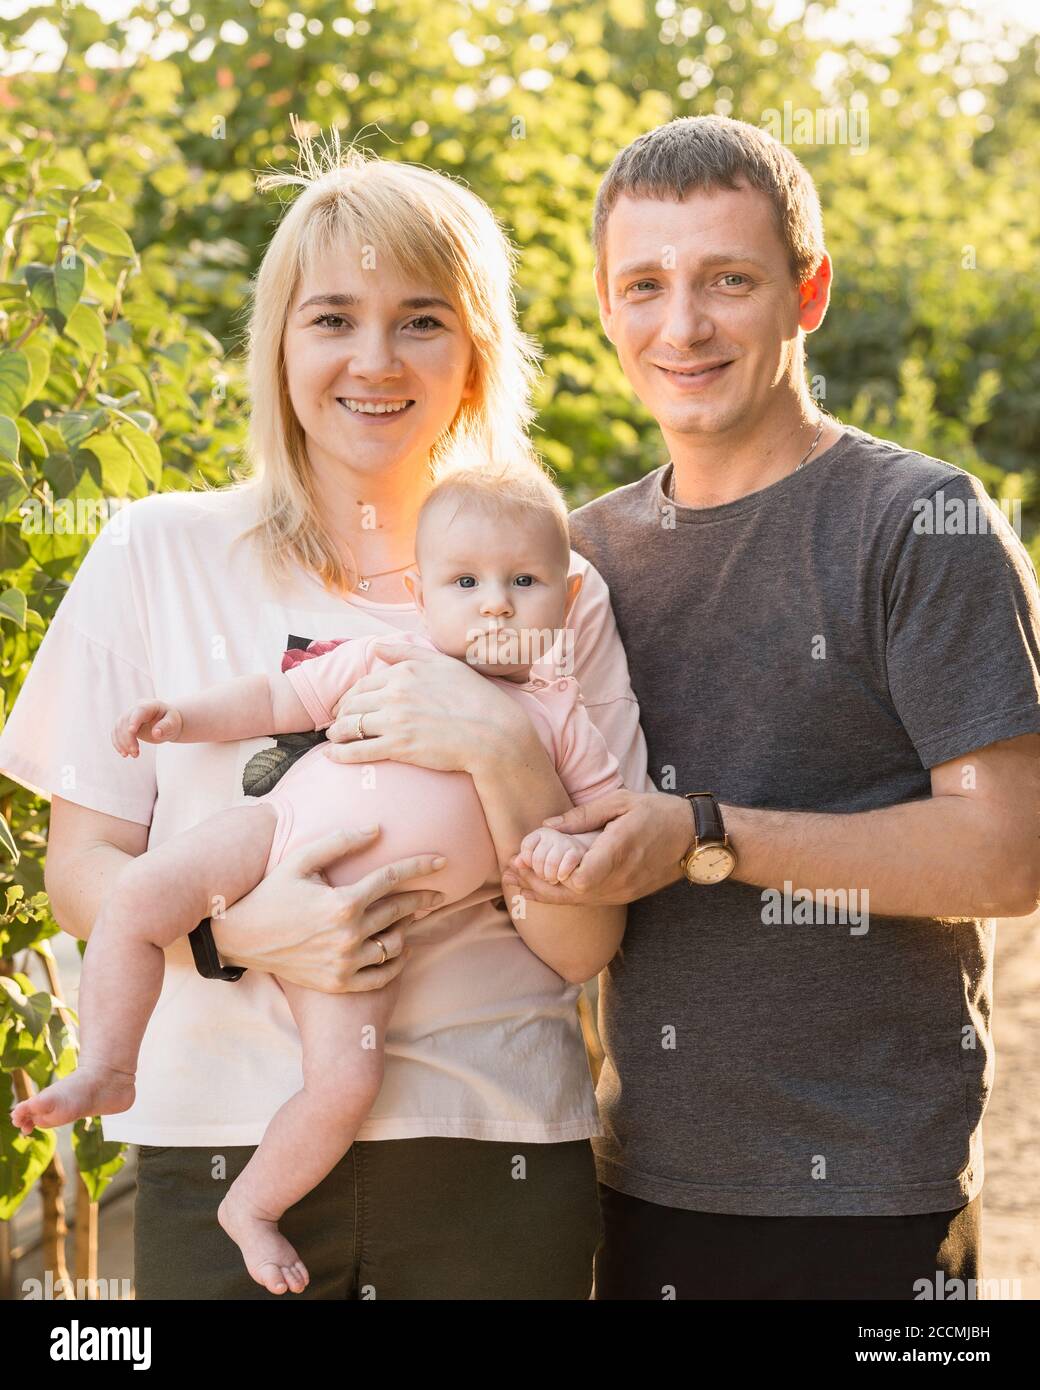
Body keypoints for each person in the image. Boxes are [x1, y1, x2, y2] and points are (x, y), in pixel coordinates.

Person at [0, 127, 648, 1300]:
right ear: (280, 345)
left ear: (474, 353)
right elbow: (87, 868)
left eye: (420, 318)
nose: (375, 359)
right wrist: (242, 933)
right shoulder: (155, 552)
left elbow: (582, 942)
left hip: (490, 1146)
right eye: (332, 316)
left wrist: (503, 749)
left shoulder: (559, 593)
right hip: (217, 1146)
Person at [500, 114, 1040, 1300]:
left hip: (871, 1196)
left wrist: (706, 835)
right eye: (643, 284)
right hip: (633, 1181)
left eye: (726, 281)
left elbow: (1005, 854)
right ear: (603, 306)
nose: (679, 324)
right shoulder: (576, 557)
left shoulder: (915, 524)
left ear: (808, 292)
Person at [10, 459, 627, 1296]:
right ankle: (109, 1064)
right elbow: (276, 701)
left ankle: (254, 1207)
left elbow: (595, 831)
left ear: (571, 597)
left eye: (525, 581)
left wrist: (560, 850)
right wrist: (184, 719)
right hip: (269, 835)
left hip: (375, 935)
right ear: (423, 593)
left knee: (343, 1084)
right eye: (466, 582)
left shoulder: (561, 720)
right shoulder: (386, 656)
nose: (496, 602)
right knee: (139, 899)